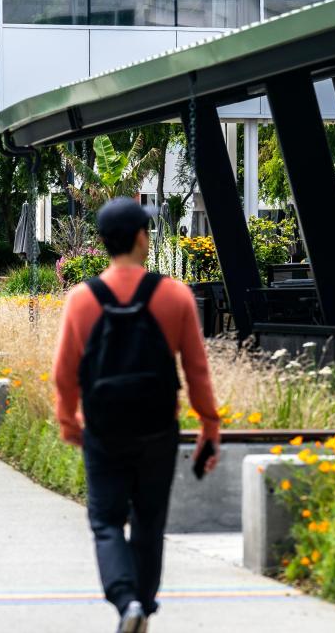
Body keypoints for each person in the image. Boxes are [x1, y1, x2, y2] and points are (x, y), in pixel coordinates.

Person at [53, 198, 221, 633]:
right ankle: (142, 606)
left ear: (104, 243)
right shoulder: (174, 295)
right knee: (149, 520)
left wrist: (69, 422)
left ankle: (126, 601)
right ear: (142, 238)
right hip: (157, 429)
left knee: (106, 519)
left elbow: (65, 373)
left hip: (105, 429)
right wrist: (209, 424)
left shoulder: (82, 300)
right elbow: (196, 369)